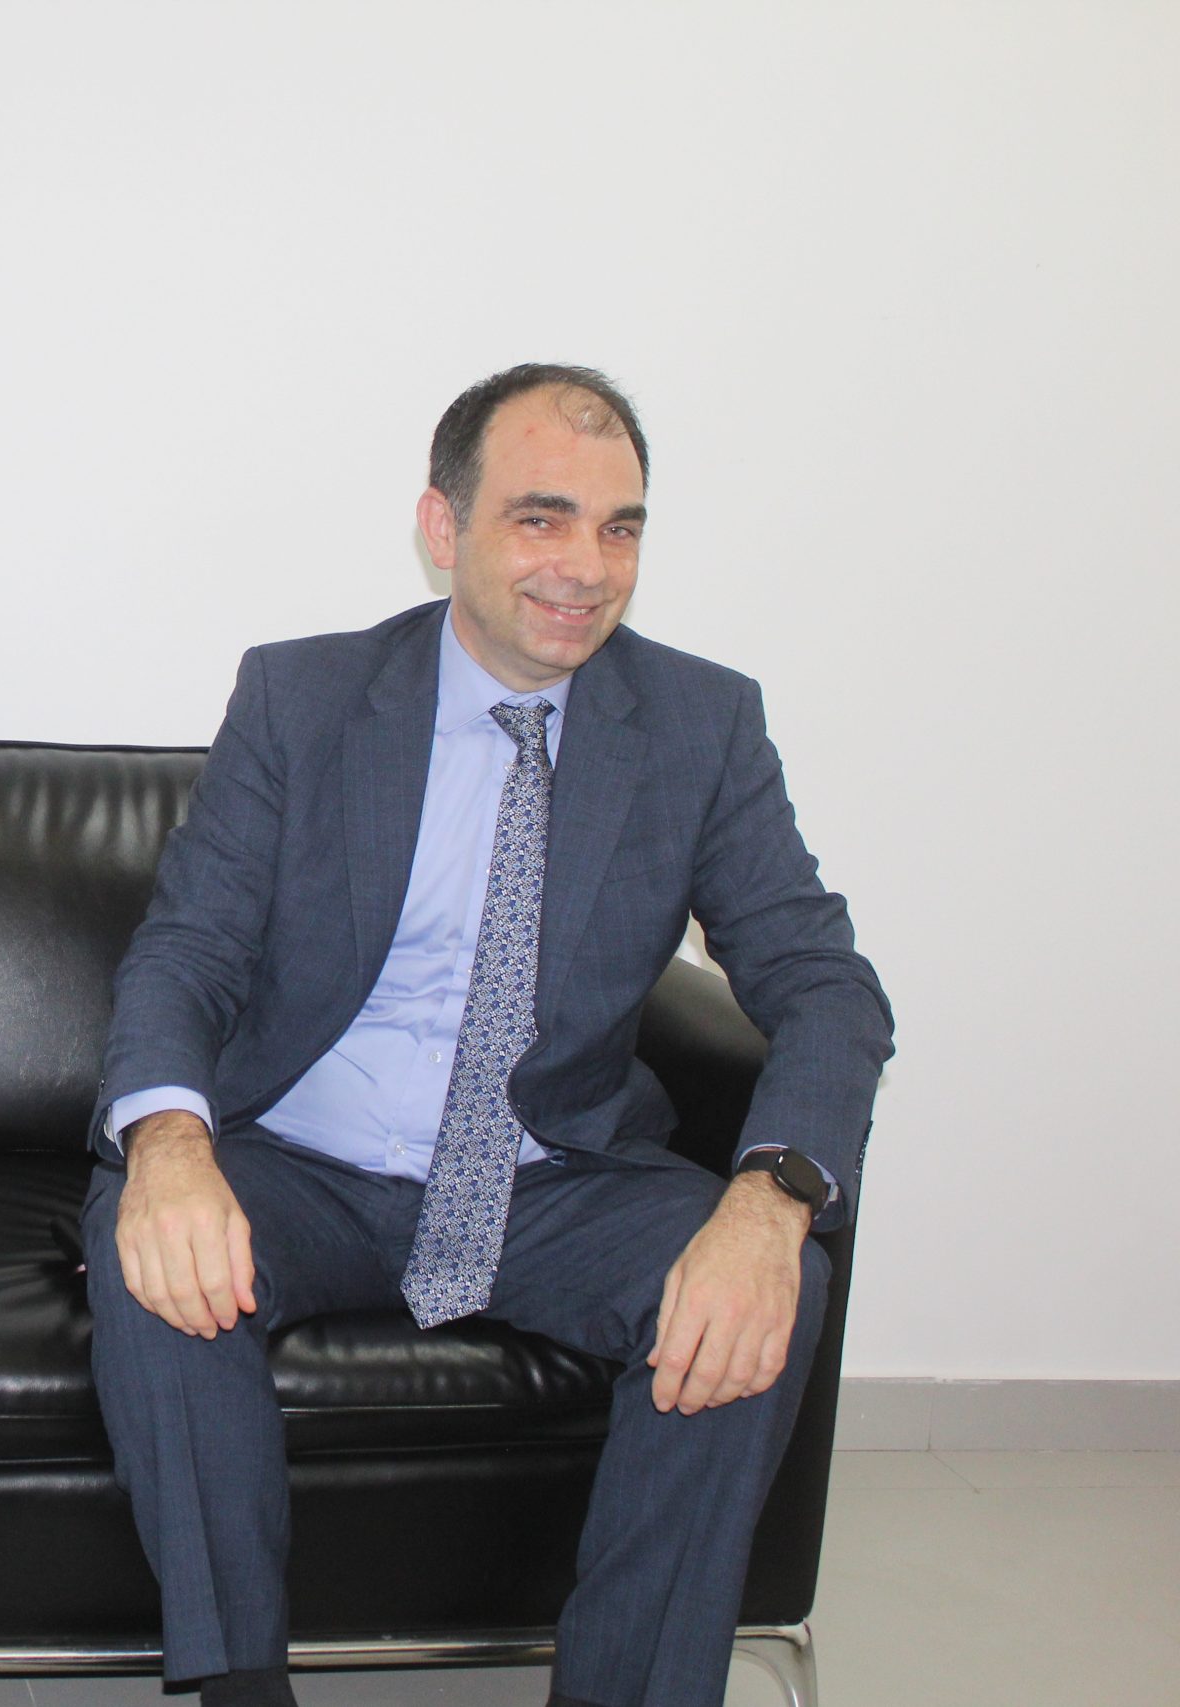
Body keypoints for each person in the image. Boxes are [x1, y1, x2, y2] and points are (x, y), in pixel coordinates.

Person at [86, 365, 893, 1707]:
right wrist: (169, 1141)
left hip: (550, 1175)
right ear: (442, 527)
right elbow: (190, 948)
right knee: (151, 1249)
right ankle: (241, 1692)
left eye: (620, 527)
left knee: (774, 1276)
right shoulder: (304, 698)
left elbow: (824, 981)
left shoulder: (700, 726)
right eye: (541, 518)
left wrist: (773, 1198)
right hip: (302, 1160)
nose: (586, 565)